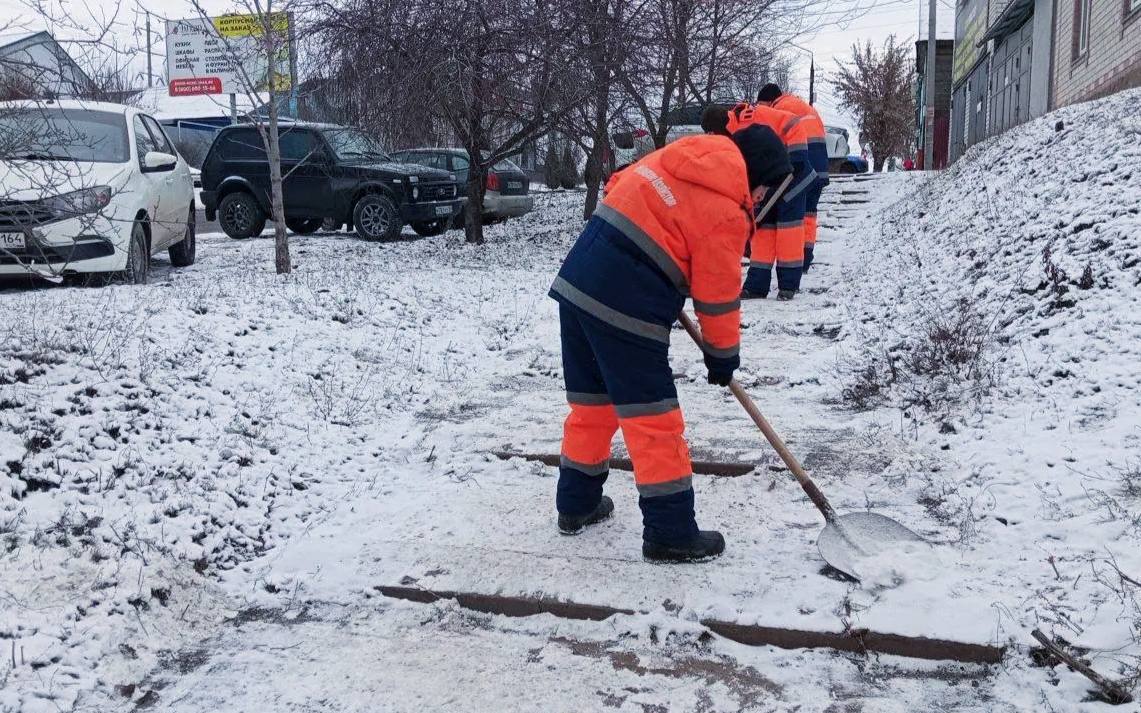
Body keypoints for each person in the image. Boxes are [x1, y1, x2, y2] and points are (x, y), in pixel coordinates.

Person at [549, 126, 791, 563]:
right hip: (626, 305)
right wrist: (722, 356)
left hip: (578, 281)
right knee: (654, 420)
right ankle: (670, 532)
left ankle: (576, 504)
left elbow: (618, 183)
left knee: (593, 407)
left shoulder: (679, 157)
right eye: (764, 189)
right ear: (758, 177)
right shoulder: (727, 206)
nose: (759, 198)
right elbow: (717, 296)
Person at [704, 103, 817, 300]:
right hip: (770, 179)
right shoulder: (734, 138)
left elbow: (793, 123)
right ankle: (756, 286)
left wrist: (796, 157)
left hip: (794, 176)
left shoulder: (755, 116)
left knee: (788, 230)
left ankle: (788, 286)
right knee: (762, 230)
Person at [757, 84, 829, 273]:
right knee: (809, 215)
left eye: (761, 105)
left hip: (800, 167)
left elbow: (774, 143)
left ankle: (793, 264)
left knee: (793, 219)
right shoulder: (805, 107)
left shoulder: (779, 110)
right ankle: (804, 260)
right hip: (819, 169)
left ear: (769, 101)